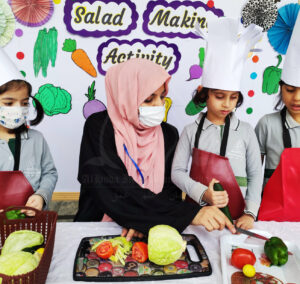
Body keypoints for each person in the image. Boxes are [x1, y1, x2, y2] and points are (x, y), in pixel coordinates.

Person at [74, 58, 235, 240]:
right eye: (149, 99)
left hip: (149, 231)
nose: (159, 105)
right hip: (98, 228)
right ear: (126, 96)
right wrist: (188, 214)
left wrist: (149, 223)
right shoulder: (98, 127)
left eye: (162, 96)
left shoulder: (168, 134)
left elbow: (170, 191)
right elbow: (110, 186)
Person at [171, 17, 263, 230]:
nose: (227, 104)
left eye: (233, 97)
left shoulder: (247, 131)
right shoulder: (190, 131)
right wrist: (203, 193)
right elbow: (176, 172)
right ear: (205, 94)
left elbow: (255, 173)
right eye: (220, 96)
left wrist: (250, 213)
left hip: (238, 220)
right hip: (197, 217)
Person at [0, 48, 57, 214]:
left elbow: (50, 173)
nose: (18, 109)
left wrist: (41, 196)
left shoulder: (37, 139)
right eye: (9, 103)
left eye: (24, 103)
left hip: (31, 221)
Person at [256, 11, 300, 221]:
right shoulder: (267, 124)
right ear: (280, 88)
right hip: (272, 212)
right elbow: (254, 172)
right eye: (290, 90)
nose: (296, 98)